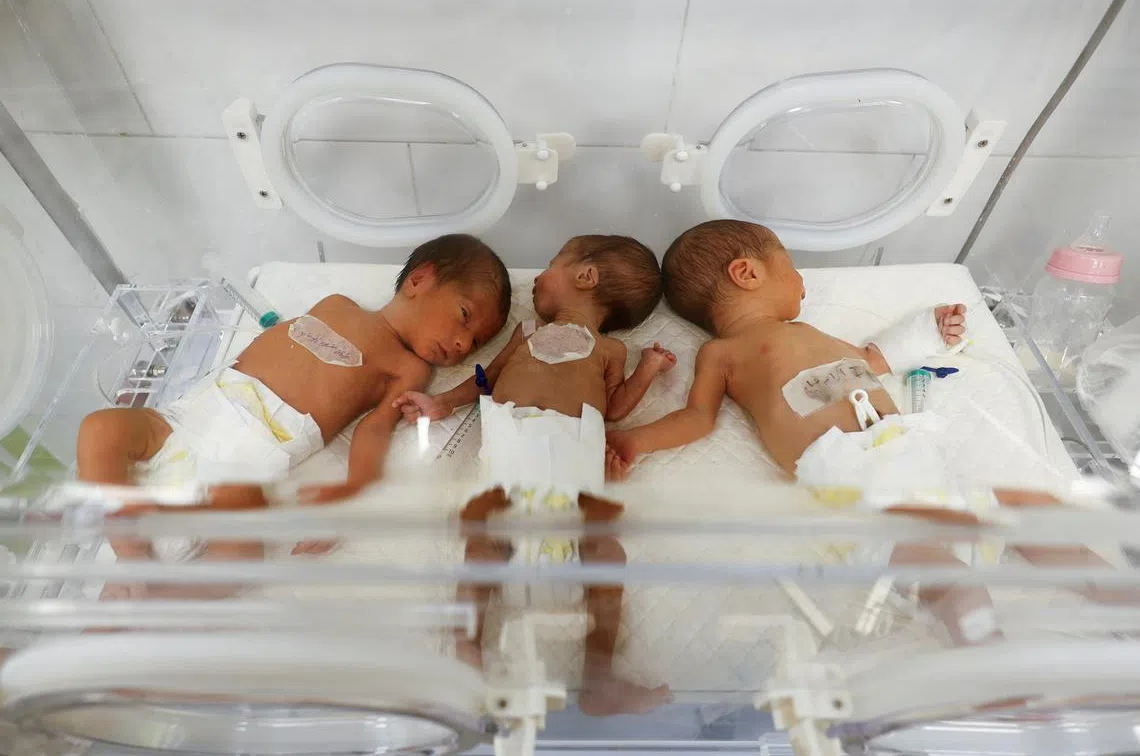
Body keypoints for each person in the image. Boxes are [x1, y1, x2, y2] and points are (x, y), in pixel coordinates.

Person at [606, 219, 1122, 646]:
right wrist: (635, 439)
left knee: (1029, 513)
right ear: (747, 272)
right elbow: (698, 418)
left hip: (916, 456)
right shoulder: (722, 354)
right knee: (947, 577)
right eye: (791, 267)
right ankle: (989, 660)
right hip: (855, 485)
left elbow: (871, 360)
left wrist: (927, 331)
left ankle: (1115, 594)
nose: (803, 285)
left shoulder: (808, 333)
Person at [75, 233, 511, 570]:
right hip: (190, 418)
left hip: (249, 456)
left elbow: (375, 428)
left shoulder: (409, 370)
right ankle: (130, 552)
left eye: (474, 342)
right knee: (101, 427)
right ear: (420, 280)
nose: (461, 342)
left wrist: (352, 488)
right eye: (464, 316)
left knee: (243, 546)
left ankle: (163, 601)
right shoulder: (336, 304)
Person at [394, 235, 675, 715]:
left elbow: (617, 407)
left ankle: (600, 677)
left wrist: (647, 370)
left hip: (576, 451)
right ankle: (466, 652)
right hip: (511, 444)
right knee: (482, 542)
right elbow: (487, 378)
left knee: (607, 552)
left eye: (549, 264)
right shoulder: (525, 332)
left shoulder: (610, 350)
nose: (538, 279)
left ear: (586, 277)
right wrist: (442, 402)